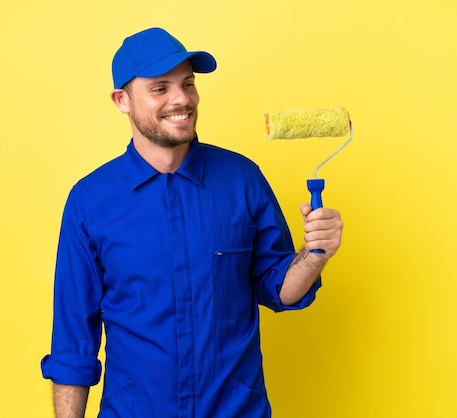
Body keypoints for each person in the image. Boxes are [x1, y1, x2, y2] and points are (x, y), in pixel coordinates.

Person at [41, 27, 343, 418]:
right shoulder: (90, 202)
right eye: (160, 88)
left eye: (188, 83)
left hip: (235, 410)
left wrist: (316, 253)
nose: (182, 99)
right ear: (123, 100)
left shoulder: (242, 179)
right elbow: (73, 344)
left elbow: (280, 290)